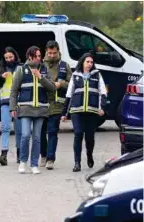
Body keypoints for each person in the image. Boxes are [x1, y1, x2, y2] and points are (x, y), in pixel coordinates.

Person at [10, 46, 56, 174]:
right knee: (25, 135)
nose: (39, 58)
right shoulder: (21, 70)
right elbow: (14, 91)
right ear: (30, 57)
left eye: (40, 56)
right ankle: (23, 161)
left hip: (41, 109)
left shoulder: (44, 70)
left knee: (36, 137)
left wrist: (41, 77)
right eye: (36, 56)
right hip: (25, 109)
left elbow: (52, 88)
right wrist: (12, 107)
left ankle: (34, 164)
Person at [61, 53, 107, 172]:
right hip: (77, 111)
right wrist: (64, 113)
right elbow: (69, 95)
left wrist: (101, 107)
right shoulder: (75, 75)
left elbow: (103, 93)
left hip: (92, 111)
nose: (90, 64)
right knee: (78, 134)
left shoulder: (97, 75)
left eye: (91, 62)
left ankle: (89, 154)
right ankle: (77, 163)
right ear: (82, 62)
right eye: (88, 62)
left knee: (90, 137)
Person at [39, 40, 72, 170]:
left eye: (54, 53)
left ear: (58, 51)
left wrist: (61, 84)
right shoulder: (40, 65)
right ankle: (43, 155)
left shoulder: (64, 65)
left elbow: (71, 84)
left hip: (57, 104)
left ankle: (51, 158)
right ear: (46, 51)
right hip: (41, 103)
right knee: (41, 132)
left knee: (52, 132)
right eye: (49, 53)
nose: (52, 55)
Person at [0, 47, 22, 165]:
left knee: (19, 130)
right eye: (6, 58)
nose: (8, 59)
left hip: (19, 102)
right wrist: (1, 77)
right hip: (5, 102)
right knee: (5, 128)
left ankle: (20, 155)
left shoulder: (21, 68)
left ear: (15, 56)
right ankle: (3, 154)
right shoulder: (1, 68)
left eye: (10, 57)